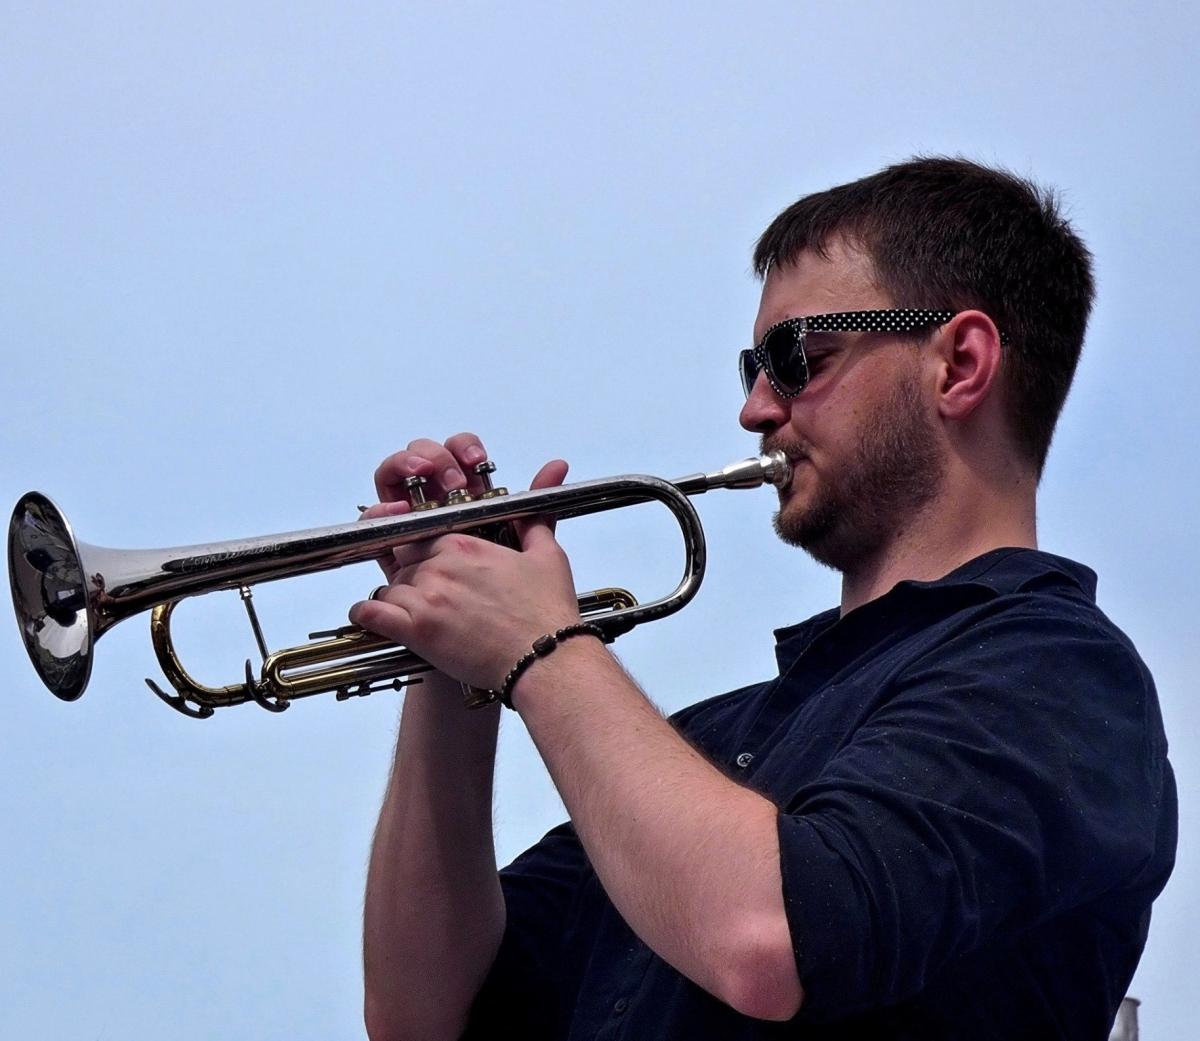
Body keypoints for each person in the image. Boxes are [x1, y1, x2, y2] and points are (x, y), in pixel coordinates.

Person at [355, 157, 1177, 1040]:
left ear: (960, 364)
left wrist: (543, 649)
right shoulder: (718, 742)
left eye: (797, 359)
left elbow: (766, 937)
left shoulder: (1059, 673)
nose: (754, 408)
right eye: (754, 365)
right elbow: (421, 1015)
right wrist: (448, 664)